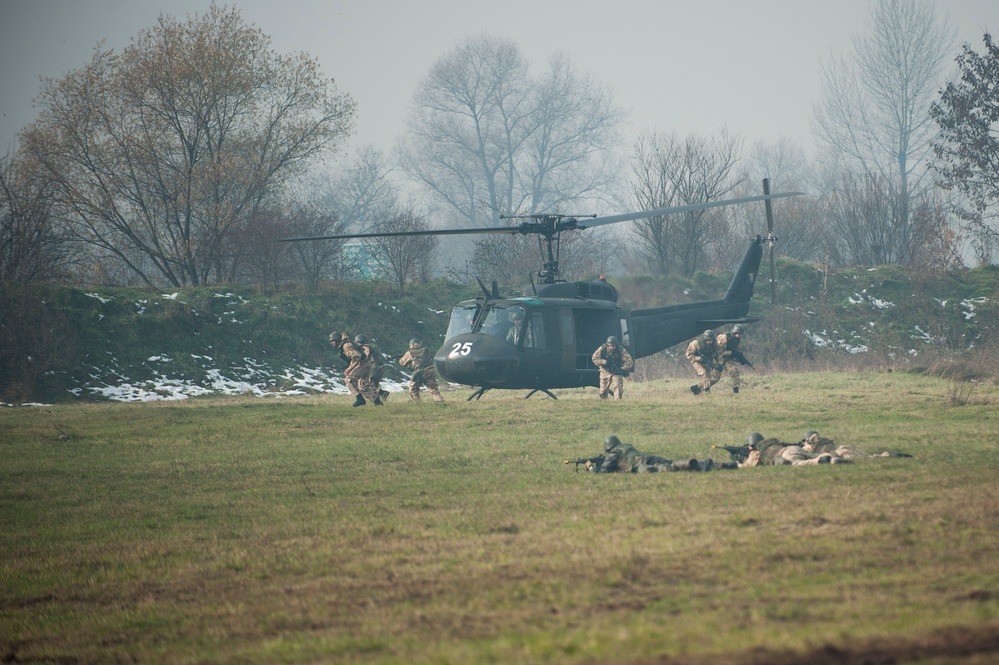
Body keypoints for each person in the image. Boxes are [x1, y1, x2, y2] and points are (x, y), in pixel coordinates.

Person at [572, 435, 715, 473]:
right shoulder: (626, 446)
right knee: (669, 462)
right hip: (647, 457)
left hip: (641, 465)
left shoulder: (613, 454)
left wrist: (591, 467)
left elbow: (602, 472)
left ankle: (693, 465)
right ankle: (700, 464)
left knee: (666, 469)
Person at [800, 430, 913, 460]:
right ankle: (884, 456)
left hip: (837, 450)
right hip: (837, 451)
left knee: (850, 451)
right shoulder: (811, 445)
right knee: (849, 453)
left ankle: (882, 456)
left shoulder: (816, 443)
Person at [330, 330, 367, 406]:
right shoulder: (344, 345)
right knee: (364, 385)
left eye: (333, 341)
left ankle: (360, 399)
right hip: (364, 363)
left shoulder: (346, 346)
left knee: (349, 380)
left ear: (337, 339)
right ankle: (378, 402)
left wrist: (349, 368)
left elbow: (356, 356)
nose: (332, 343)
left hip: (362, 364)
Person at [716, 324, 752, 393]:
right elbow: (719, 351)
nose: (740, 335)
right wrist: (731, 353)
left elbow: (734, 350)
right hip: (718, 359)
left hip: (727, 359)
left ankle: (736, 389)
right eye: (739, 334)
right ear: (734, 332)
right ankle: (702, 388)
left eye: (741, 334)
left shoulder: (737, 340)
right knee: (715, 377)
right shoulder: (724, 338)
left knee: (734, 370)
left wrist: (738, 358)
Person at [353, 334, 386, 406]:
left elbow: (366, 357)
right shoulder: (373, 346)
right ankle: (378, 403)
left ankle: (381, 392)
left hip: (373, 367)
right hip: (381, 366)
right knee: (374, 384)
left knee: (365, 385)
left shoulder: (365, 347)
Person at [685, 329, 721, 395]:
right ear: (705, 339)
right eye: (708, 340)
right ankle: (706, 391)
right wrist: (699, 358)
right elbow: (688, 355)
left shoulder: (715, 345)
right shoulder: (696, 343)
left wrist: (719, 364)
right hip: (696, 361)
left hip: (708, 362)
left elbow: (717, 354)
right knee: (704, 374)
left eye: (711, 340)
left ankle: (697, 388)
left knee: (713, 378)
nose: (710, 342)